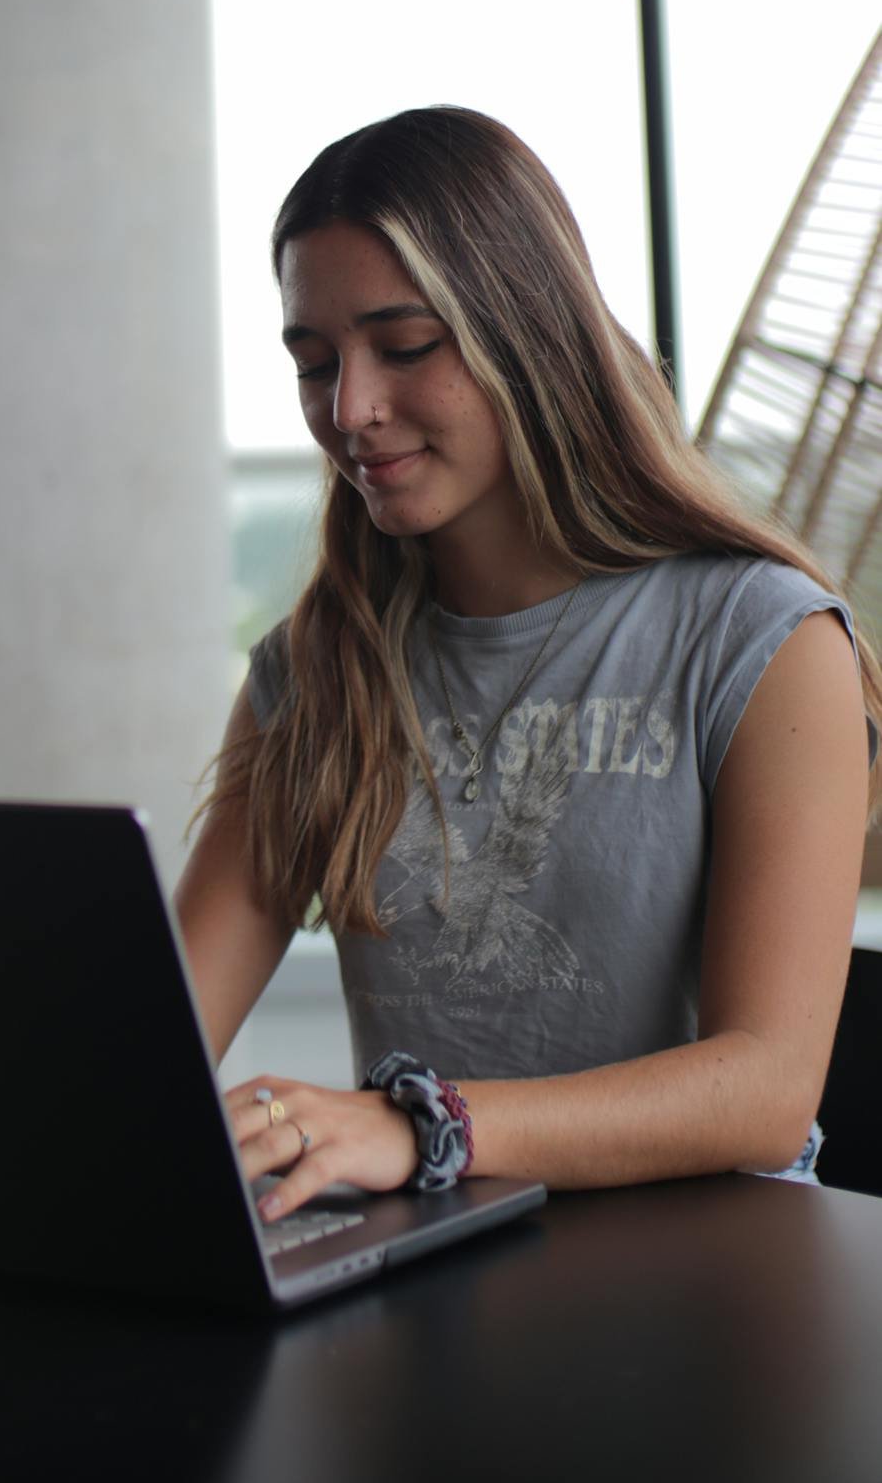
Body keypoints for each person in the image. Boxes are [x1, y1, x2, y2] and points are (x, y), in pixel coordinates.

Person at [176, 106, 881, 1222]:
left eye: (405, 347)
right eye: (315, 363)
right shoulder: (317, 671)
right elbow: (162, 1040)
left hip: (723, 1300)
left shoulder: (767, 642)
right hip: (436, 1292)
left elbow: (767, 1086)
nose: (350, 409)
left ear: (526, 336)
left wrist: (422, 1127)